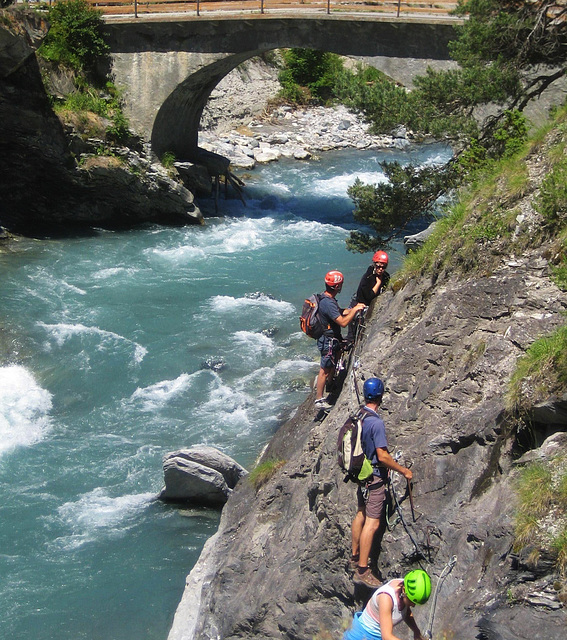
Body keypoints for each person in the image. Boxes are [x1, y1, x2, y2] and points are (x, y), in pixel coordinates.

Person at [352, 377, 413, 588]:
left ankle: (354, 556)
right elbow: (383, 456)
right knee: (373, 522)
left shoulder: (359, 415)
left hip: (361, 474)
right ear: (381, 396)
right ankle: (362, 569)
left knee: (361, 512)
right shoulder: (376, 422)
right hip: (375, 477)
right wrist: (404, 471)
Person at [314, 271, 366, 410]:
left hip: (331, 339)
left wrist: (353, 309)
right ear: (337, 286)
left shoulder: (326, 298)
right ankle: (319, 399)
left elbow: (338, 313)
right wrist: (354, 310)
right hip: (328, 340)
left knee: (332, 363)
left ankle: (330, 384)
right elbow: (343, 322)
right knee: (324, 369)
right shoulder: (328, 303)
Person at [343, 570, 431, 640]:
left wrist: (416, 632)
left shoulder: (405, 588)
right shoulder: (386, 598)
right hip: (361, 636)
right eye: (412, 601)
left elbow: (406, 612)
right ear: (404, 590)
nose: (413, 605)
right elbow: (387, 636)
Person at [346, 251, 390, 344]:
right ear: (374, 265)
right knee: (353, 336)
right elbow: (369, 296)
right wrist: (378, 283)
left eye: (383, 267)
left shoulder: (386, 276)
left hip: (370, 305)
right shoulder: (367, 278)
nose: (381, 269)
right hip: (359, 305)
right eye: (378, 266)